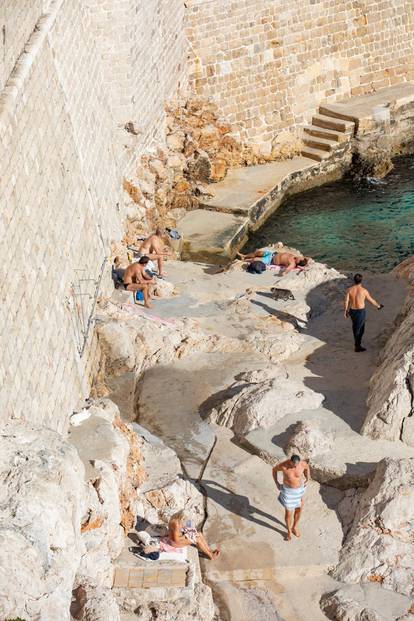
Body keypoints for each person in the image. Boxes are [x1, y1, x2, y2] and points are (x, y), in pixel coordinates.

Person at [272, 454, 310, 541]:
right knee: (289, 514)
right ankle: (289, 531)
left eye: (297, 464)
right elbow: (274, 470)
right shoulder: (284, 466)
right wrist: (277, 483)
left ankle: (295, 527)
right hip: (288, 492)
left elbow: (307, 468)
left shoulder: (302, 464)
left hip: (299, 491)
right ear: (290, 462)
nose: (296, 466)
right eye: (294, 465)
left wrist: (308, 478)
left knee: (299, 509)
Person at [344, 273, 383, 352]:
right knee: (360, 329)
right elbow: (371, 300)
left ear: (354, 280)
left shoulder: (349, 290)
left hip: (352, 310)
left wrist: (346, 311)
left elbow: (346, 301)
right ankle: (357, 346)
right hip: (360, 311)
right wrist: (378, 306)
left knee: (355, 326)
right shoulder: (364, 291)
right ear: (361, 281)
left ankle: (357, 344)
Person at [237, 249, 309, 274]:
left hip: (270, 260)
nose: (299, 257)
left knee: (255, 259)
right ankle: (244, 255)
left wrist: (284, 272)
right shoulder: (296, 257)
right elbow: (307, 259)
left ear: (298, 261)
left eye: (300, 258)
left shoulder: (292, 263)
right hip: (272, 254)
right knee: (258, 252)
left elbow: (288, 269)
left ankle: (244, 260)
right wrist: (306, 263)